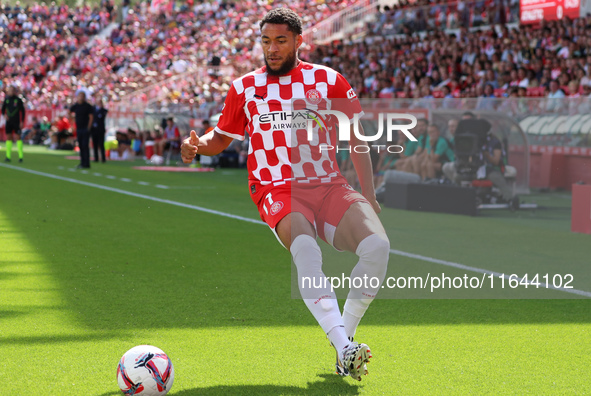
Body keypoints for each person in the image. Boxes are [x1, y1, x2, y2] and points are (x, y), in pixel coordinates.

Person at [181, 8, 388, 382]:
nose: (271, 49)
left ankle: (346, 339)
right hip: (277, 188)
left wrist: (369, 195)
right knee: (306, 250)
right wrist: (198, 146)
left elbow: (357, 138)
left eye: (279, 41)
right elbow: (220, 137)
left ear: (298, 41)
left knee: (378, 249)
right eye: (265, 41)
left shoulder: (328, 80)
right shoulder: (245, 87)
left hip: (329, 185)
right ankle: (343, 347)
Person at [70, 91, 94, 169]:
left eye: (82, 96)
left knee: (85, 145)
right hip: (79, 128)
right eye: (80, 96)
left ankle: (86, 163)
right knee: (80, 145)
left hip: (85, 128)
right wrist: (73, 123)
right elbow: (70, 112)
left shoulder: (87, 106)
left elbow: (91, 117)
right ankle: (82, 162)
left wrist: (88, 127)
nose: (81, 97)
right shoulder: (76, 106)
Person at [1, 85, 26, 162]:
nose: (11, 92)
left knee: (18, 137)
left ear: (15, 91)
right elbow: (3, 109)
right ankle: (8, 156)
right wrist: (5, 115)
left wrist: (21, 121)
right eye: (10, 90)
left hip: (16, 122)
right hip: (9, 122)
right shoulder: (7, 99)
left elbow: (23, 111)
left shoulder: (18, 100)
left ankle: (20, 156)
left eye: (12, 90)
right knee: (9, 137)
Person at [91, 97, 108, 163]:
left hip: (100, 129)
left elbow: (102, 116)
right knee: (95, 143)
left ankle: (103, 158)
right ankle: (96, 157)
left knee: (101, 144)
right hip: (94, 129)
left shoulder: (104, 110)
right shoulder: (93, 110)